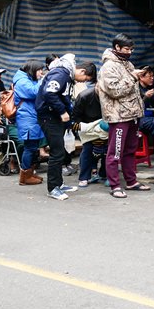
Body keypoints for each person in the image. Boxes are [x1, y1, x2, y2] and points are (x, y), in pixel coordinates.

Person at [96, 34, 150, 199]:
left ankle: (131, 181)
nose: (130, 52)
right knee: (115, 152)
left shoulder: (128, 63)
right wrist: (133, 77)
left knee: (130, 150)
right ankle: (115, 185)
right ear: (117, 47)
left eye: (131, 49)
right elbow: (114, 90)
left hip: (133, 114)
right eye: (127, 49)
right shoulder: (108, 67)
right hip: (118, 115)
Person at [35, 54, 90, 201]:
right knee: (57, 152)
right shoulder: (61, 73)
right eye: (86, 79)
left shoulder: (66, 76)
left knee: (60, 152)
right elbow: (50, 93)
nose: (84, 82)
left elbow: (63, 97)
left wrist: (68, 118)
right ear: (83, 72)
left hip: (55, 117)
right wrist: (62, 111)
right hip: (49, 117)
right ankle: (53, 188)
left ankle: (59, 184)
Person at [72, 63, 108, 188]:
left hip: (105, 127)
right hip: (87, 127)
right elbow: (75, 118)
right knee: (87, 151)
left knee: (107, 152)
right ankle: (84, 176)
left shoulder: (110, 97)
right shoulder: (84, 96)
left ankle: (104, 174)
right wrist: (84, 128)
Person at [12, 60, 45, 186]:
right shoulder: (21, 82)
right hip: (27, 118)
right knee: (29, 147)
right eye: (39, 70)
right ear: (32, 70)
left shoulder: (26, 79)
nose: (41, 73)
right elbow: (34, 92)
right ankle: (24, 176)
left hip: (31, 116)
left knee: (32, 146)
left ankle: (29, 173)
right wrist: (42, 80)